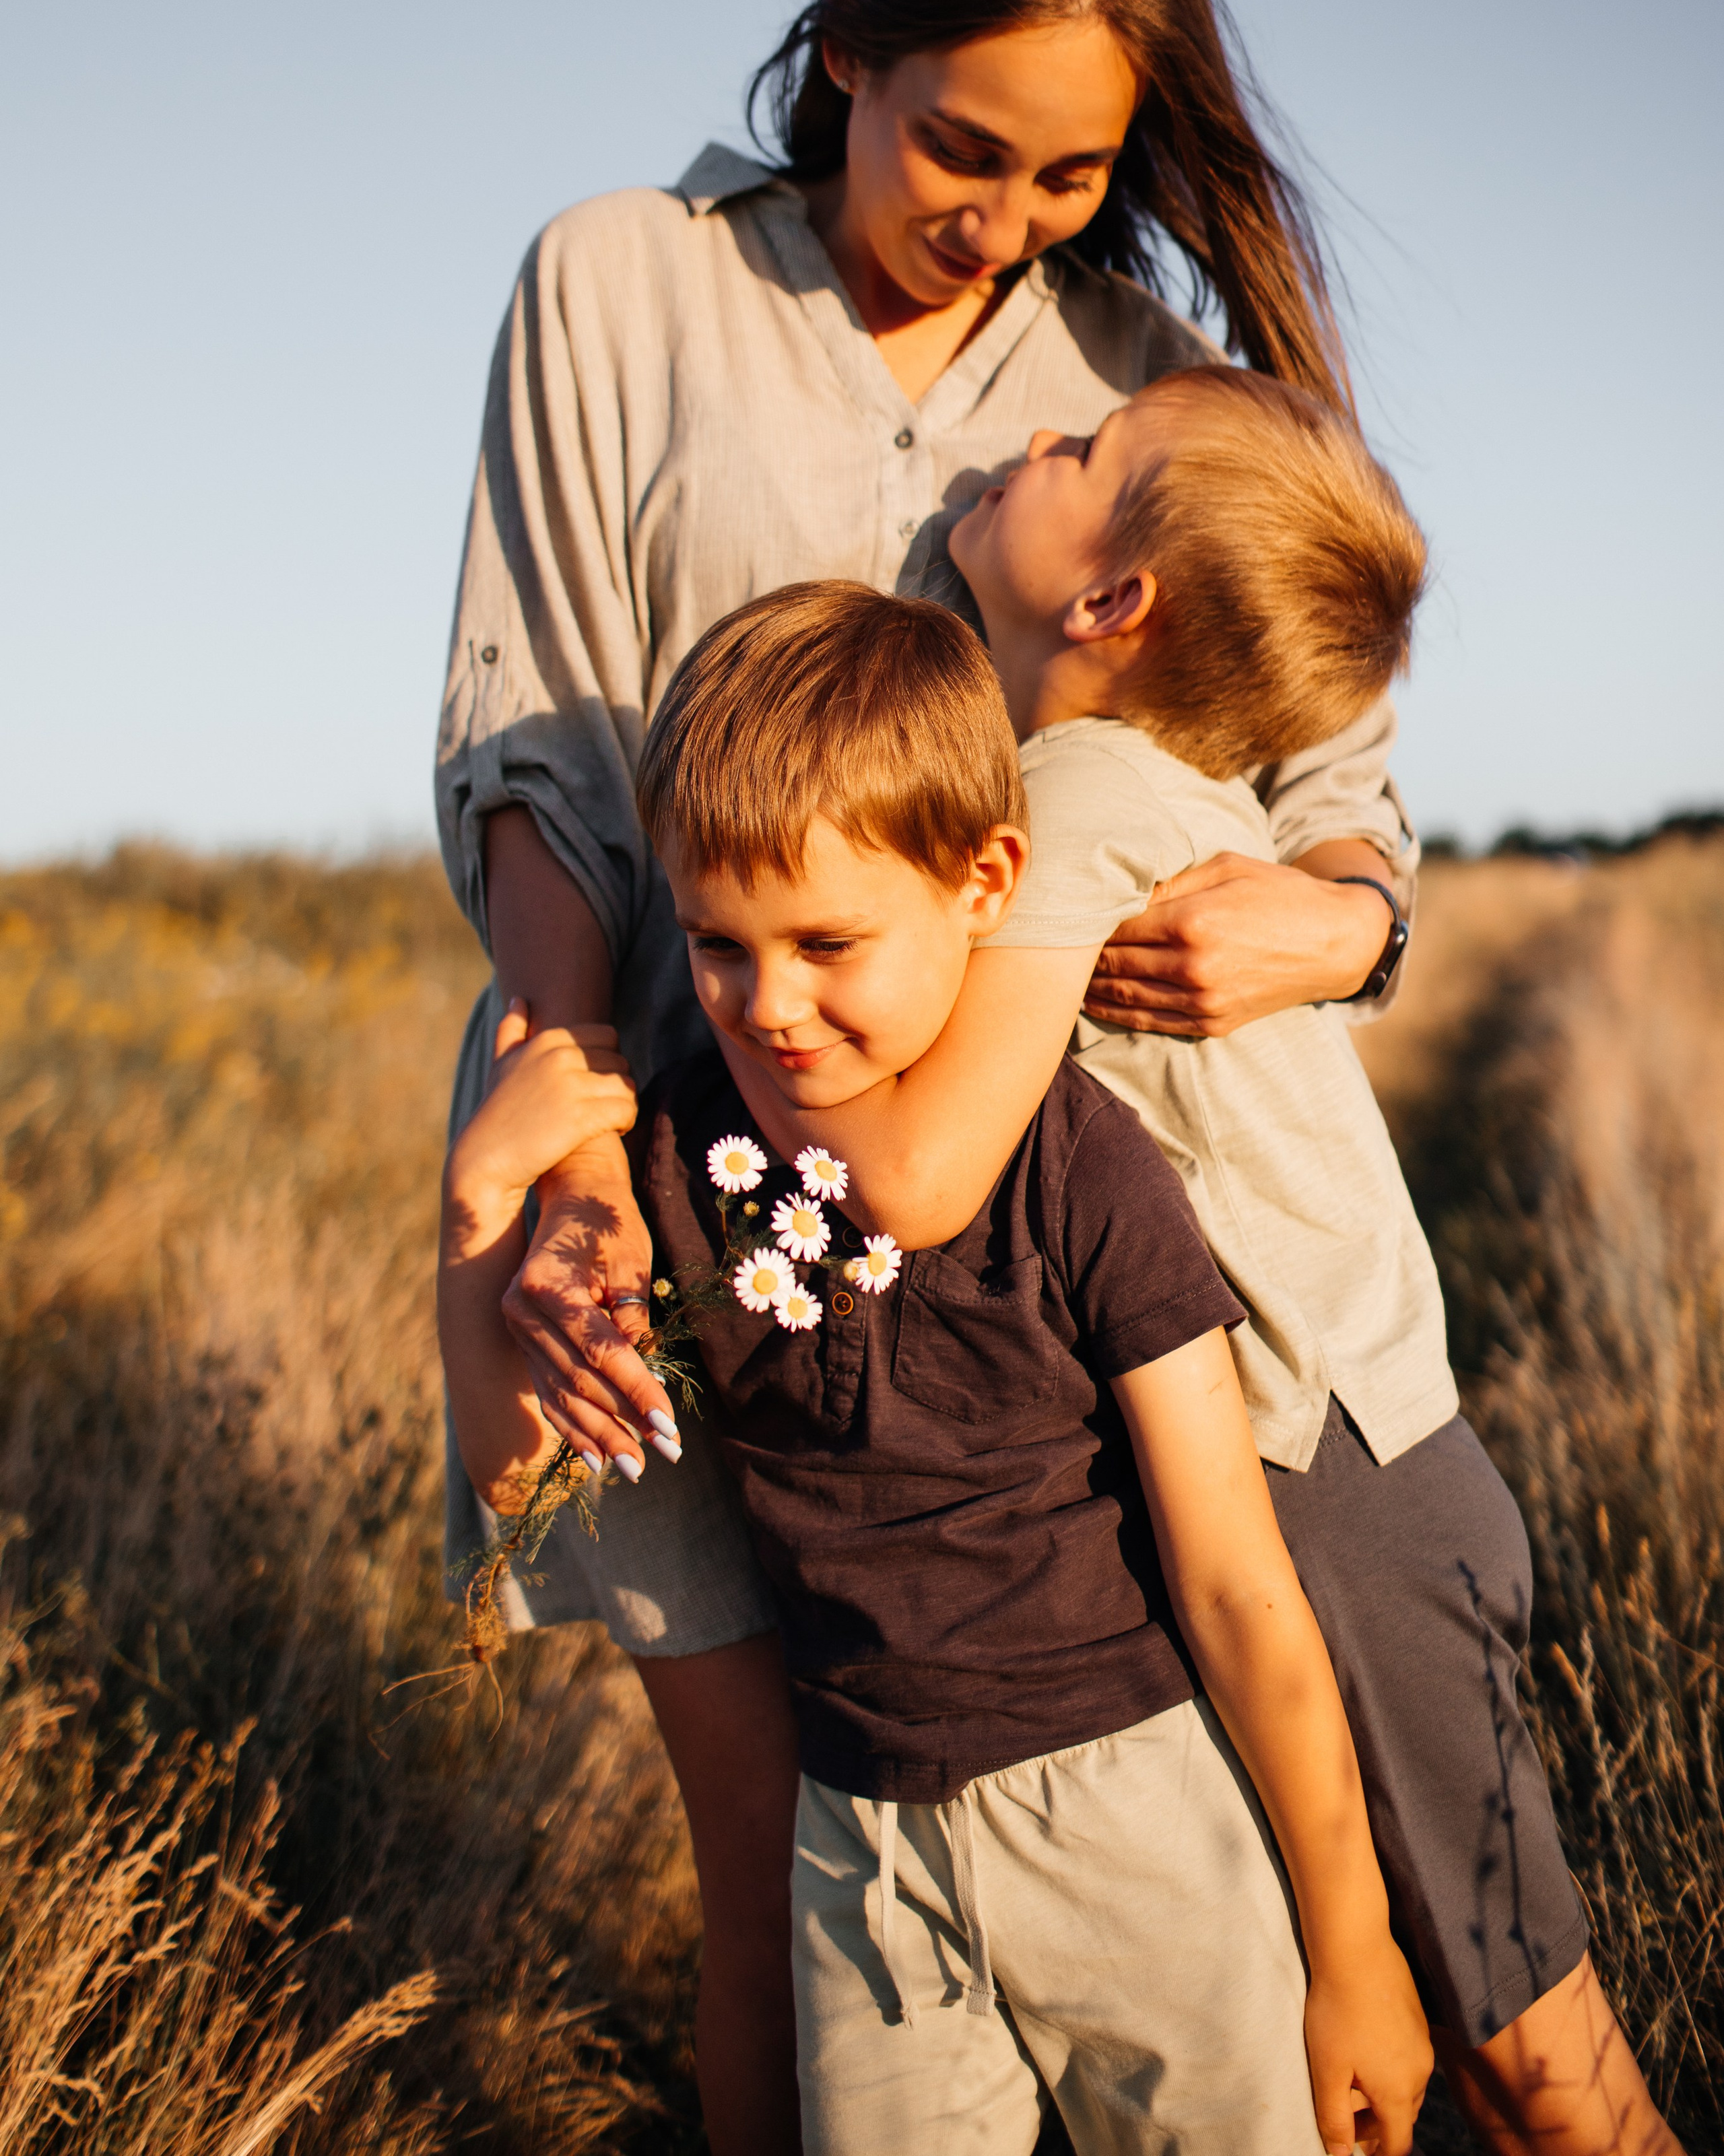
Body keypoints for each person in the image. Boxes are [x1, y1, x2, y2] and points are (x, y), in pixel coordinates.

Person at [436, 0, 1420, 2151]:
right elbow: (546, 748)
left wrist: (1359, 916)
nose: (999, 221)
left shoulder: (1139, 384)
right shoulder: (622, 283)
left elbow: (1337, 761)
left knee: (1119, 1840)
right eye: (960, 146)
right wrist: (567, 1128)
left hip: (1030, 1261)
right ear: (850, 50)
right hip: (677, 1182)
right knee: (791, 1870)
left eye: (1070, 175)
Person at [734, 370, 1680, 2156]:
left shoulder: (1083, 797)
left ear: (1111, 605)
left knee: (1534, 2061)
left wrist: (728, 1062)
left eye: (1080, 456)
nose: (1032, 443)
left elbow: (924, 1174)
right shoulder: (1110, 787)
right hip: (1345, 1466)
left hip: (1341, 1487)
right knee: (1457, 2045)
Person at [440, 582, 1434, 2156]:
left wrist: (1352, 1942)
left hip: (1134, 1824)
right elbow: (526, 1485)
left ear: (986, 884)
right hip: (862, 1860)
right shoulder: (693, 1171)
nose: (768, 1008)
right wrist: (481, 1214)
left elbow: (1239, 1585)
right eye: (715, 945)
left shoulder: (1076, 1163)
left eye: (827, 942)